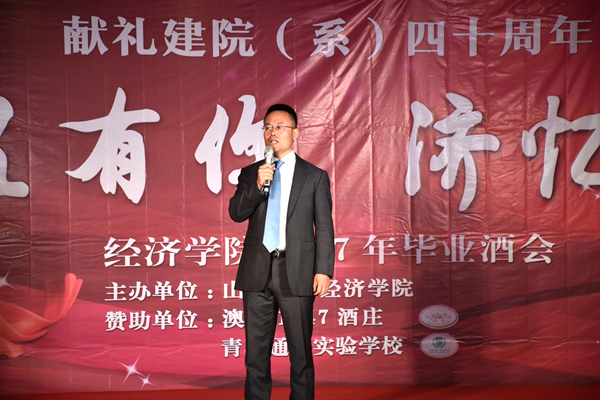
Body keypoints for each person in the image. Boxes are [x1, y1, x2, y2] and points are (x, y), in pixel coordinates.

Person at [229, 103, 334, 400]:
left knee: (300, 353)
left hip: (297, 270)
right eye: (267, 127)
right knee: (256, 353)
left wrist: (323, 270)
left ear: (295, 133)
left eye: (279, 127)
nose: (272, 132)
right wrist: (257, 184)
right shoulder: (251, 172)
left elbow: (324, 226)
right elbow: (236, 213)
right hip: (257, 272)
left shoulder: (314, 176)